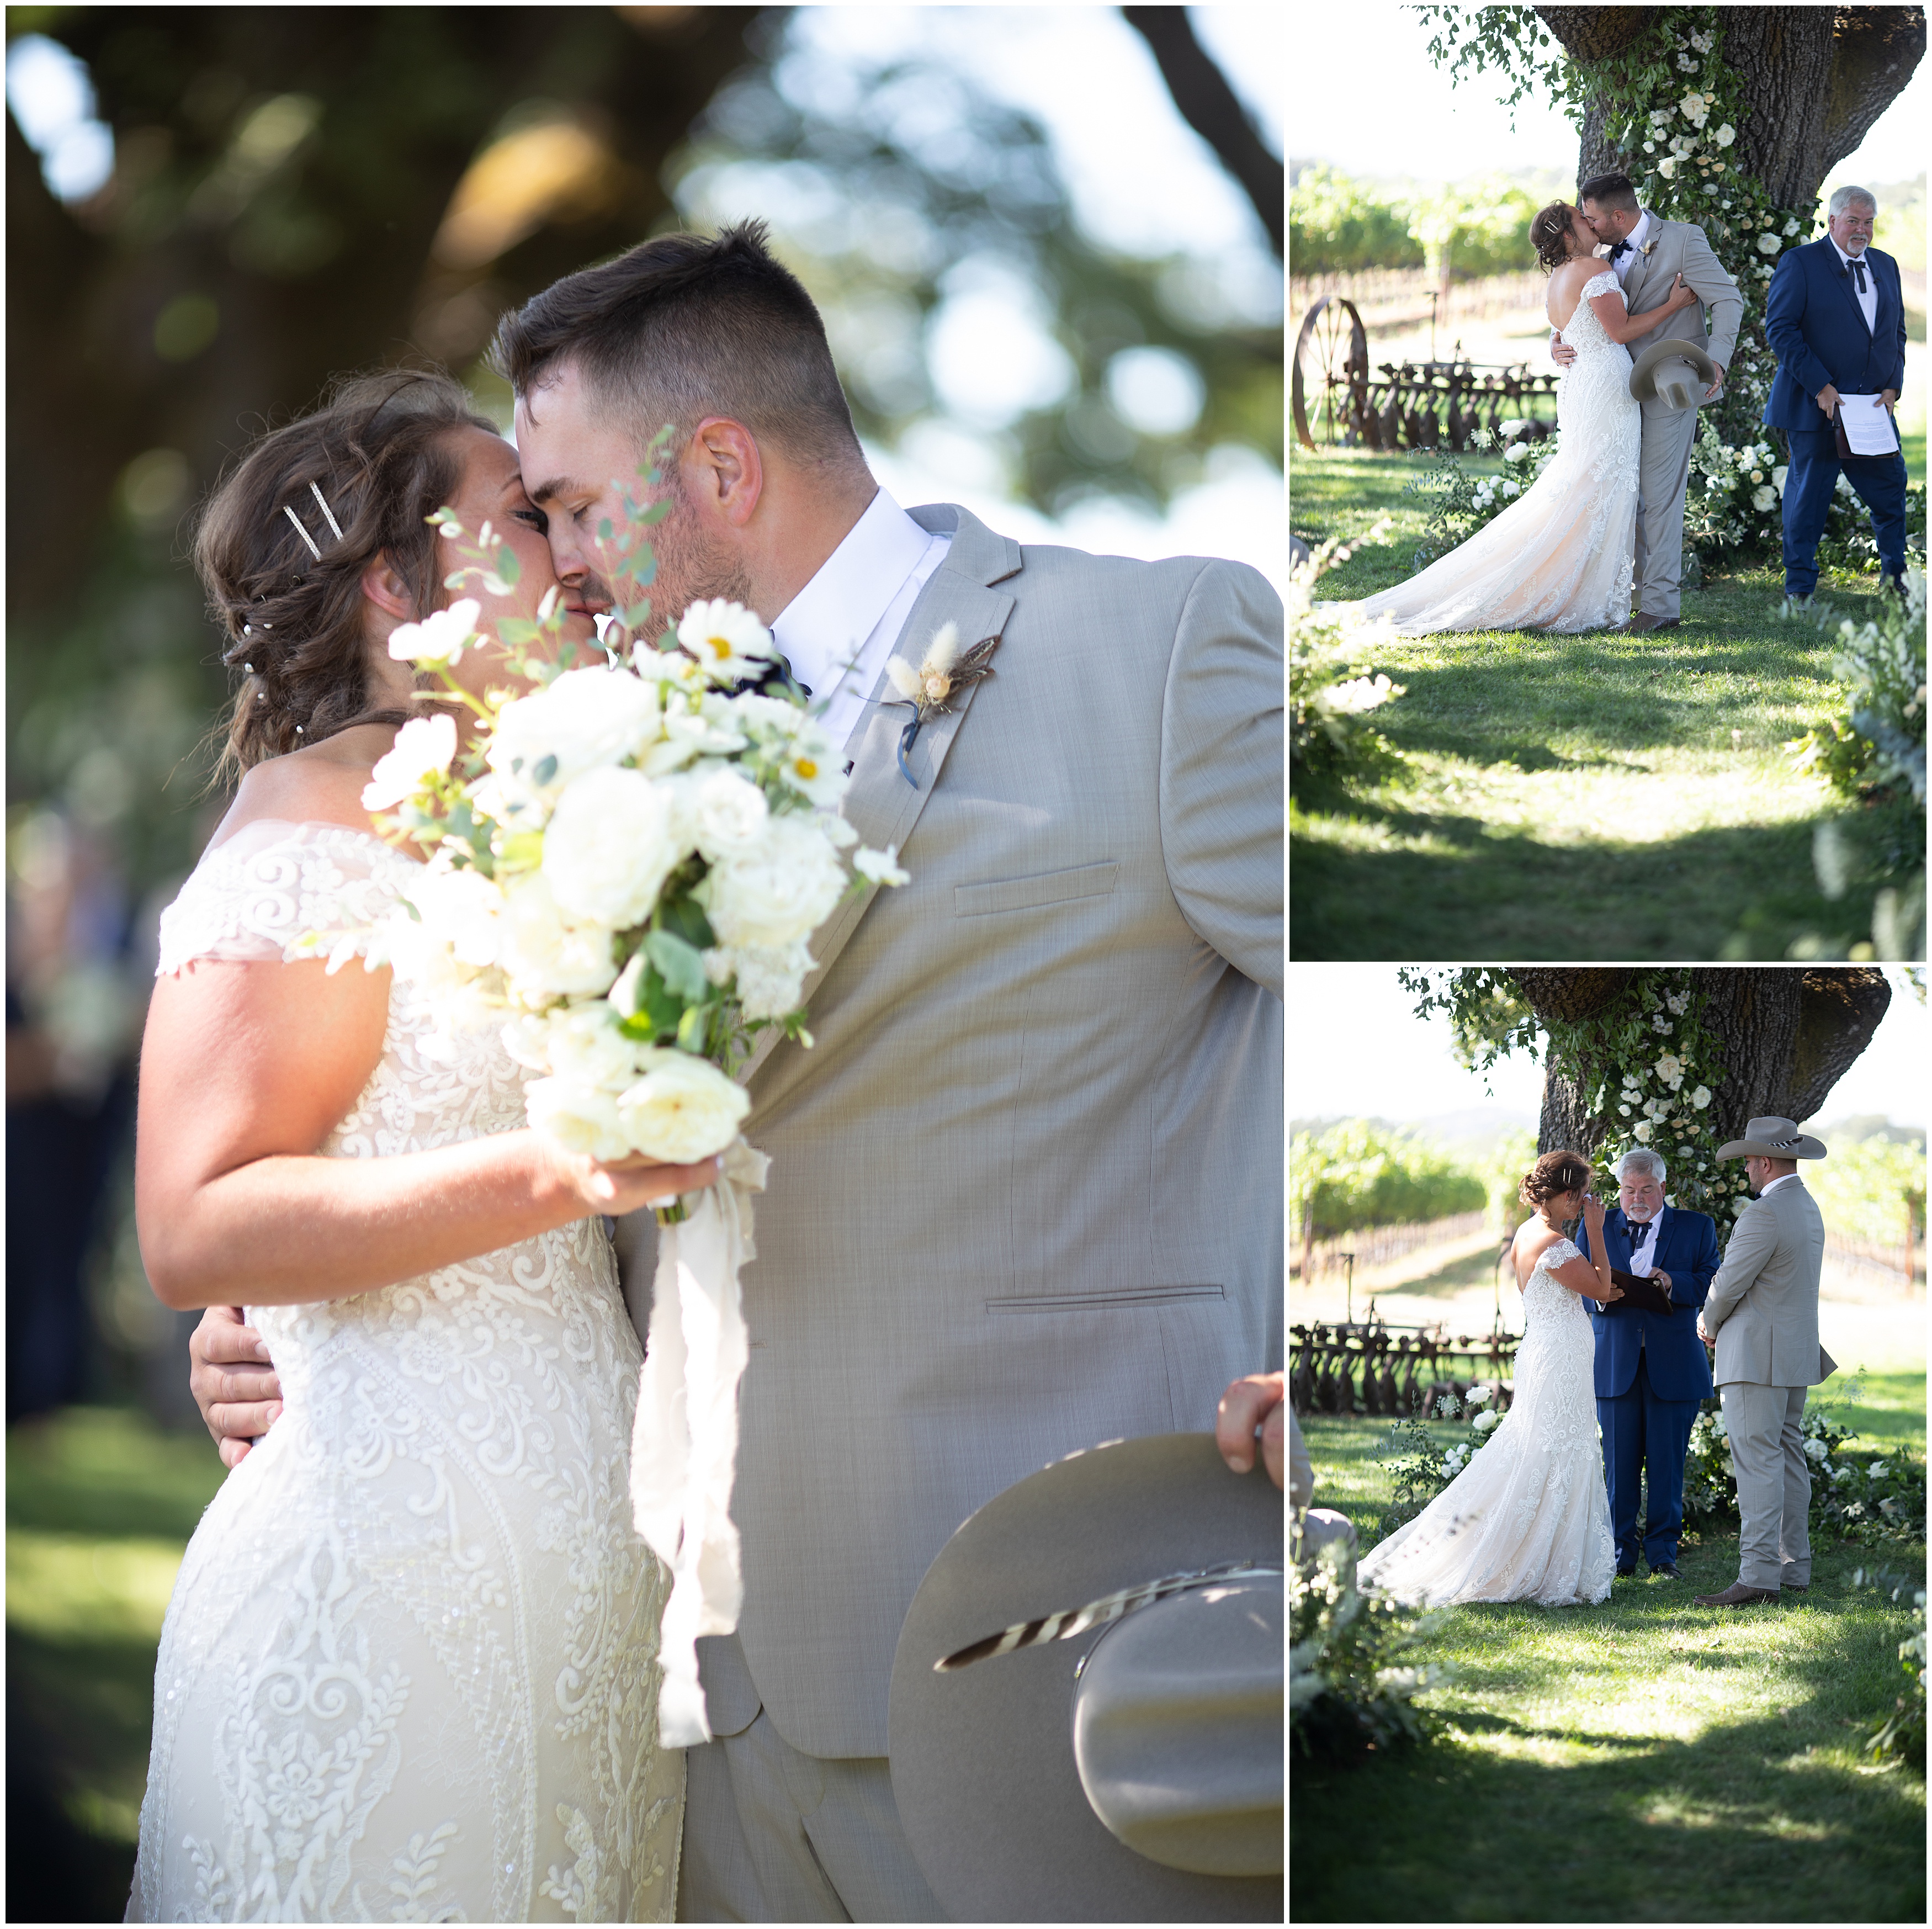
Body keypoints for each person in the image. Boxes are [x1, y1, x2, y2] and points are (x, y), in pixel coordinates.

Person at [192, 222, 1285, 1923]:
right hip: (666, 1703)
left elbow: (1381, 965)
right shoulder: (571, 753)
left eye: (559, 501)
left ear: (713, 463)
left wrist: (1323, 1364)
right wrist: (285, 1324)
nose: (547, 556)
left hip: (1043, 1652)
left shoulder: (1153, 652)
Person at [127, 370, 705, 1923]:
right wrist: (571, 1163)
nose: (568, 550)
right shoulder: (303, 839)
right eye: (522, 517)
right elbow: (197, 1218)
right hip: (378, 1579)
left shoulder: (544, 808)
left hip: (584, 1575)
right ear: (397, 584)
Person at [1338, 200, 1700, 635]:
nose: (1590, 222)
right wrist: (1674, 304)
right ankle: (1580, 591)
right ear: (1568, 234)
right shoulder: (1592, 271)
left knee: (1590, 483)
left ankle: (1582, 584)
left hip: (1584, 385)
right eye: (1581, 218)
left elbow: (1566, 326)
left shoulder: (1561, 278)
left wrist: (1555, 342)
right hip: (1603, 388)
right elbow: (1619, 332)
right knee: (1599, 483)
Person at [1357, 1151, 1621, 1607]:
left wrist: (1598, 1270)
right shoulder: (1555, 1243)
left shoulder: (1528, 1233)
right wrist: (1596, 1234)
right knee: (1554, 1452)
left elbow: (1586, 1286)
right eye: (1577, 1195)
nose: (1583, 1203)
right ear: (1559, 1195)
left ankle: (1551, 1557)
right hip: (1557, 1360)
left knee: (1548, 1450)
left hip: (1550, 1354)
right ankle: (1530, 1561)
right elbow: (1599, 1288)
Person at [1551, 171, 1744, 634]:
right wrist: (1558, 340)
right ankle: (1624, 597)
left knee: (1658, 498)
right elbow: (1588, 312)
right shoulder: (1595, 256)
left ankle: (1659, 607)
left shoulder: (1682, 240)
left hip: (1668, 384)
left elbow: (1729, 300)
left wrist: (1715, 361)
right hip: (1612, 392)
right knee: (1621, 494)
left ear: (1618, 216)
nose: (1588, 225)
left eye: (1592, 219)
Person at [1692, 1117, 1837, 1609]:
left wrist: (1707, 1323)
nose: (1747, 1169)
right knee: (1788, 1460)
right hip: (1793, 1354)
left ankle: (1757, 1574)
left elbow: (1729, 1282)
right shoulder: (1807, 1207)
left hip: (1757, 1358)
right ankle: (1794, 1567)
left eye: (1750, 1160)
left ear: (1767, 1162)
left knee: (1757, 1464)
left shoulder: (1764, 1213)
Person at [1577, 1147, 1721, 1580]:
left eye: (1645, 1189)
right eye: (1628, 1189)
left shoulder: (1698, 1227)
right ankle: (1621, 1554)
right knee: (1618, 1465)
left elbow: (1714, 1282)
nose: (1636, 1198)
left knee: (1667, 1463)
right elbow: (1579, 1284)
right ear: (1619, 1190)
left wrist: (1673, 1282)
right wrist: (1601, 1297)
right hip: (1616, 1360)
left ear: (1663, 1187)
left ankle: (1663, 1554)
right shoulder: (1596, 1227)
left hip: (1674, 1362)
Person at [1761, 185, 1909, 605]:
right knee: (1808, 501)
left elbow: (1895, 334)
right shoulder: (1801, 263)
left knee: (1891, 491)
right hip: (1817, 408)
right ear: (1832, 222)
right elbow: (1781, 330)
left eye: (1868, 222)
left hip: (1872, 408)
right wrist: (1821, 387)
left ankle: (1895, 580)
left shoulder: (1887, 264)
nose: (1861, 230)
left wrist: (1893, 386)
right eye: (1853, 221)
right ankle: (1800, 588)